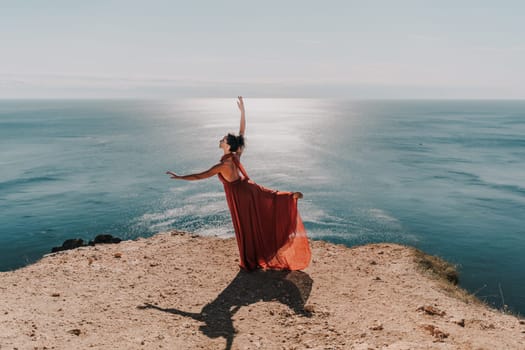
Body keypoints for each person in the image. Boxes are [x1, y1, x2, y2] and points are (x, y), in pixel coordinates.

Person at [166, 97, 311, 271]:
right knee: (269, 200)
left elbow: (200, 176)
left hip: (240, 196)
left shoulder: (223, 165)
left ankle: (251, 260)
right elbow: (242, 133)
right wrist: (243, 112)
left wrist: (180, 177)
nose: (221, 140)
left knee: (247, 226)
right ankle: (289, 197)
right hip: (249, 188)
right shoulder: (235, 156)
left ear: (227, 146)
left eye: (223, 139)